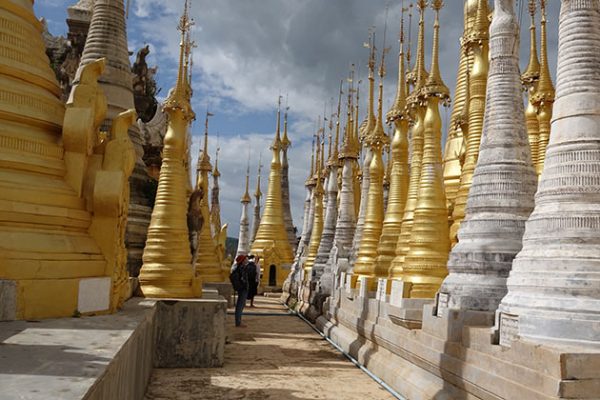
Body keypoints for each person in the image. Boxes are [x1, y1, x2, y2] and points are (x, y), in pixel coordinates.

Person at [230, 254, 249, 328]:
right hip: (242, 289)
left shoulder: (240, 268)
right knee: (240, 305)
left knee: (241, 305)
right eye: (245, 259)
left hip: (242, 288)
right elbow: (243, 279)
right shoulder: (241, 268)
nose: (246, 260)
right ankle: (238, 322)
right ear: (242, 261)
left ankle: (239, 321)